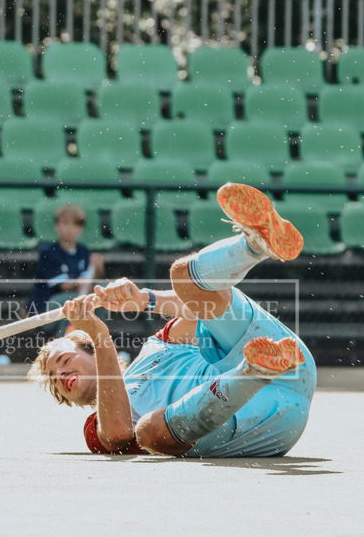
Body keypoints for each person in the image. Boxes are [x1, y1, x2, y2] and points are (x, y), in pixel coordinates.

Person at [27, 182, 316, 457]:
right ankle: (252, 372)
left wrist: (143, 299)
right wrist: (99, 333)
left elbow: (198, 307)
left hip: (289, 359)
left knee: (183, 277)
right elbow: (117, 435)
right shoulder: (96, 428)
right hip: (262, 419)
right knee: (149, 432)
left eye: (64, 361)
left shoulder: (159, 344)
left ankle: (253, 244)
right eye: (55, 381)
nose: (61, 375)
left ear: (88, 349)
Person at [26, 203, 104, 317]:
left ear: (81, 228)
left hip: (76, 299)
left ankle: (95, 333)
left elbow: (88, 283)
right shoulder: (48, 252)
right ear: (57, 225)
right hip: (47, 306)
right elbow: (62, 285)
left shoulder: (84, 252)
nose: (70, 228)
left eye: (75, 224)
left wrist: (97, 269)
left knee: (101, 297)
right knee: (70, 304)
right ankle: (68, 334)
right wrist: (79, 282)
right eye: (65, 223)